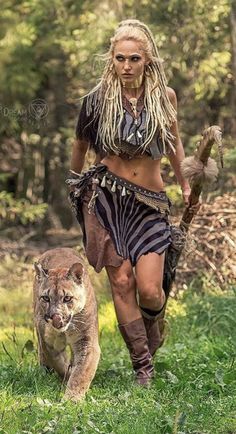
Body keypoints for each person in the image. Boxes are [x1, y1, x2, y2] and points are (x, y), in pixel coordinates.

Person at [68, 19, 191, 386]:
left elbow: (173, 143)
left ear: (147, 59)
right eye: (119, 58)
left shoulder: (164, 97)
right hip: (106, 200)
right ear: (112, 59)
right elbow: (79, 146)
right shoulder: (96, 100)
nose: (126, 66)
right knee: (121, 283)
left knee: (151, 291)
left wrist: (185, 183)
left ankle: (153, 326)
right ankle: (143, 368)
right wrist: (75, 185)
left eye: (134, 58)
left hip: (150, 204)